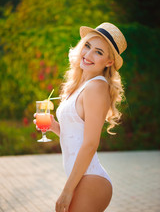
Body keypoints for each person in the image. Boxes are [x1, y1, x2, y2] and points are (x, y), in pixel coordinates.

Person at [34, 22, 127, 212]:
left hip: (91, 179)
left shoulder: (97, 87)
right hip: (80, 178)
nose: (88, 54)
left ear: (109, 62)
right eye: (87, 46)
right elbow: (76, 138)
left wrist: (67, 191)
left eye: (98, 52)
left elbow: (91, 144)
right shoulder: (80, 86)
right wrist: (54, 127)